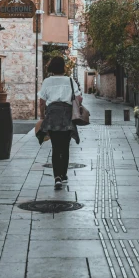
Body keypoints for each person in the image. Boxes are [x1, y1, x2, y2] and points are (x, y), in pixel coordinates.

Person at [38, 56, 83, 190]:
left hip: (52, 115)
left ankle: (57, 176)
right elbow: (79, 97)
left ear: (51, 67)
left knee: (55, 147)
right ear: (63, 67)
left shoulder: (47, 81)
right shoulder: (70, 80)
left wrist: (42, 116)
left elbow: (42, 101)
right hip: (67, 115)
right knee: (65, 146)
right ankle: (63, 174)